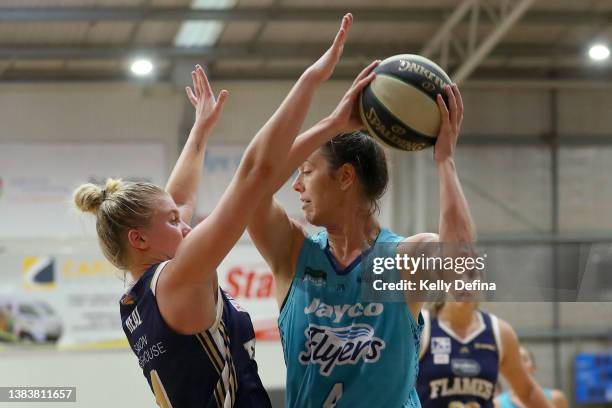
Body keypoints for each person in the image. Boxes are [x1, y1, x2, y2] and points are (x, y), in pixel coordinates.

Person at [73, 13, 369, 408]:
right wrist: (318, 92)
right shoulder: (180, 277)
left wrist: (200, 131)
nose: (185, 223)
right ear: (139, 238)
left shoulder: (137, 297)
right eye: (174, 222)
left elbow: (176, 201)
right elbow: (256, 173)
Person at [247, 62, 474, 404]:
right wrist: (332, 124)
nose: (296, 186)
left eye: (307, 172)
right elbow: (251, 184)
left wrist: (445, 161)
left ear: (345, 177)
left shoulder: (404, 260)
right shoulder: (292, 252)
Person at [418, 302, 555, 408]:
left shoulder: (499, 332)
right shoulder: (421, 324)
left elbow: (528, 392)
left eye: (471, 275)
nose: (464, 282)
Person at [495, 346, 568, 408]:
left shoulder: (556, 398)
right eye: (515, 361)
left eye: (524, 359)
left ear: (534, 367)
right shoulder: (497, 404)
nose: (519, 365)